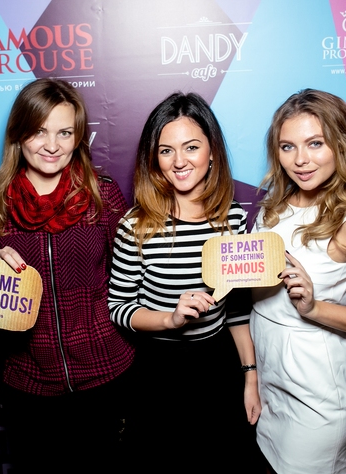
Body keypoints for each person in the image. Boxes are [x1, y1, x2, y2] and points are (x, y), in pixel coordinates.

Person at [0, 78, 135, 473]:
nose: (52, 145)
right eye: (39, 131)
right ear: (19, 134)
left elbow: (130, 282)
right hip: (28, 381)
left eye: (64, 133)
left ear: (78, 138)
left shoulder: (103, 195)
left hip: (105, 374)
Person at [250, 89, 346, 474]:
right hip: (270, 379)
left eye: (315, 143)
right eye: (287, 147)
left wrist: (314, 307)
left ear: (340, 144)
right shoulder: (274, 205)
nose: (300, 160)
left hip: (317, 391)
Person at [108, 92, 261, 472]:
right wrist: (170, 319)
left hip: (217, 366)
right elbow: (119, 308)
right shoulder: (135, 226)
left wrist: (250, 377)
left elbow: (237, 310)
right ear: (154, 159)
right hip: (159, 373)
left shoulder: (233, 219)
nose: (179, 161)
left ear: (212, 153)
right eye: (166, 150)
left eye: (191, 147)